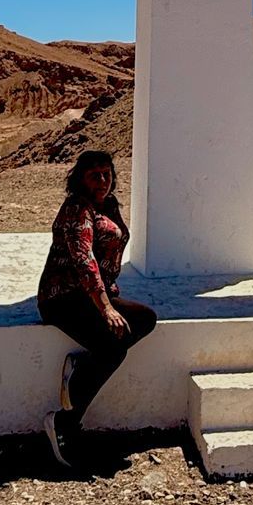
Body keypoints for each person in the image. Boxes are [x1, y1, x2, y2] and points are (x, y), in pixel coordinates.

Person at [35, 151, 157, 469]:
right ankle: (65, 422)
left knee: (145, 319)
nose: (102, 181)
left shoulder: (108, 206)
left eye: (106, 173)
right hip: (63, 297)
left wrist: (107, 299)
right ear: (80, 179)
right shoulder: (77, 208)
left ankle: (81, 370)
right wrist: (106, 309)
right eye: (94, 175)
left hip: (93, 295)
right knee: (113, 348)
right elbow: (83, 260)